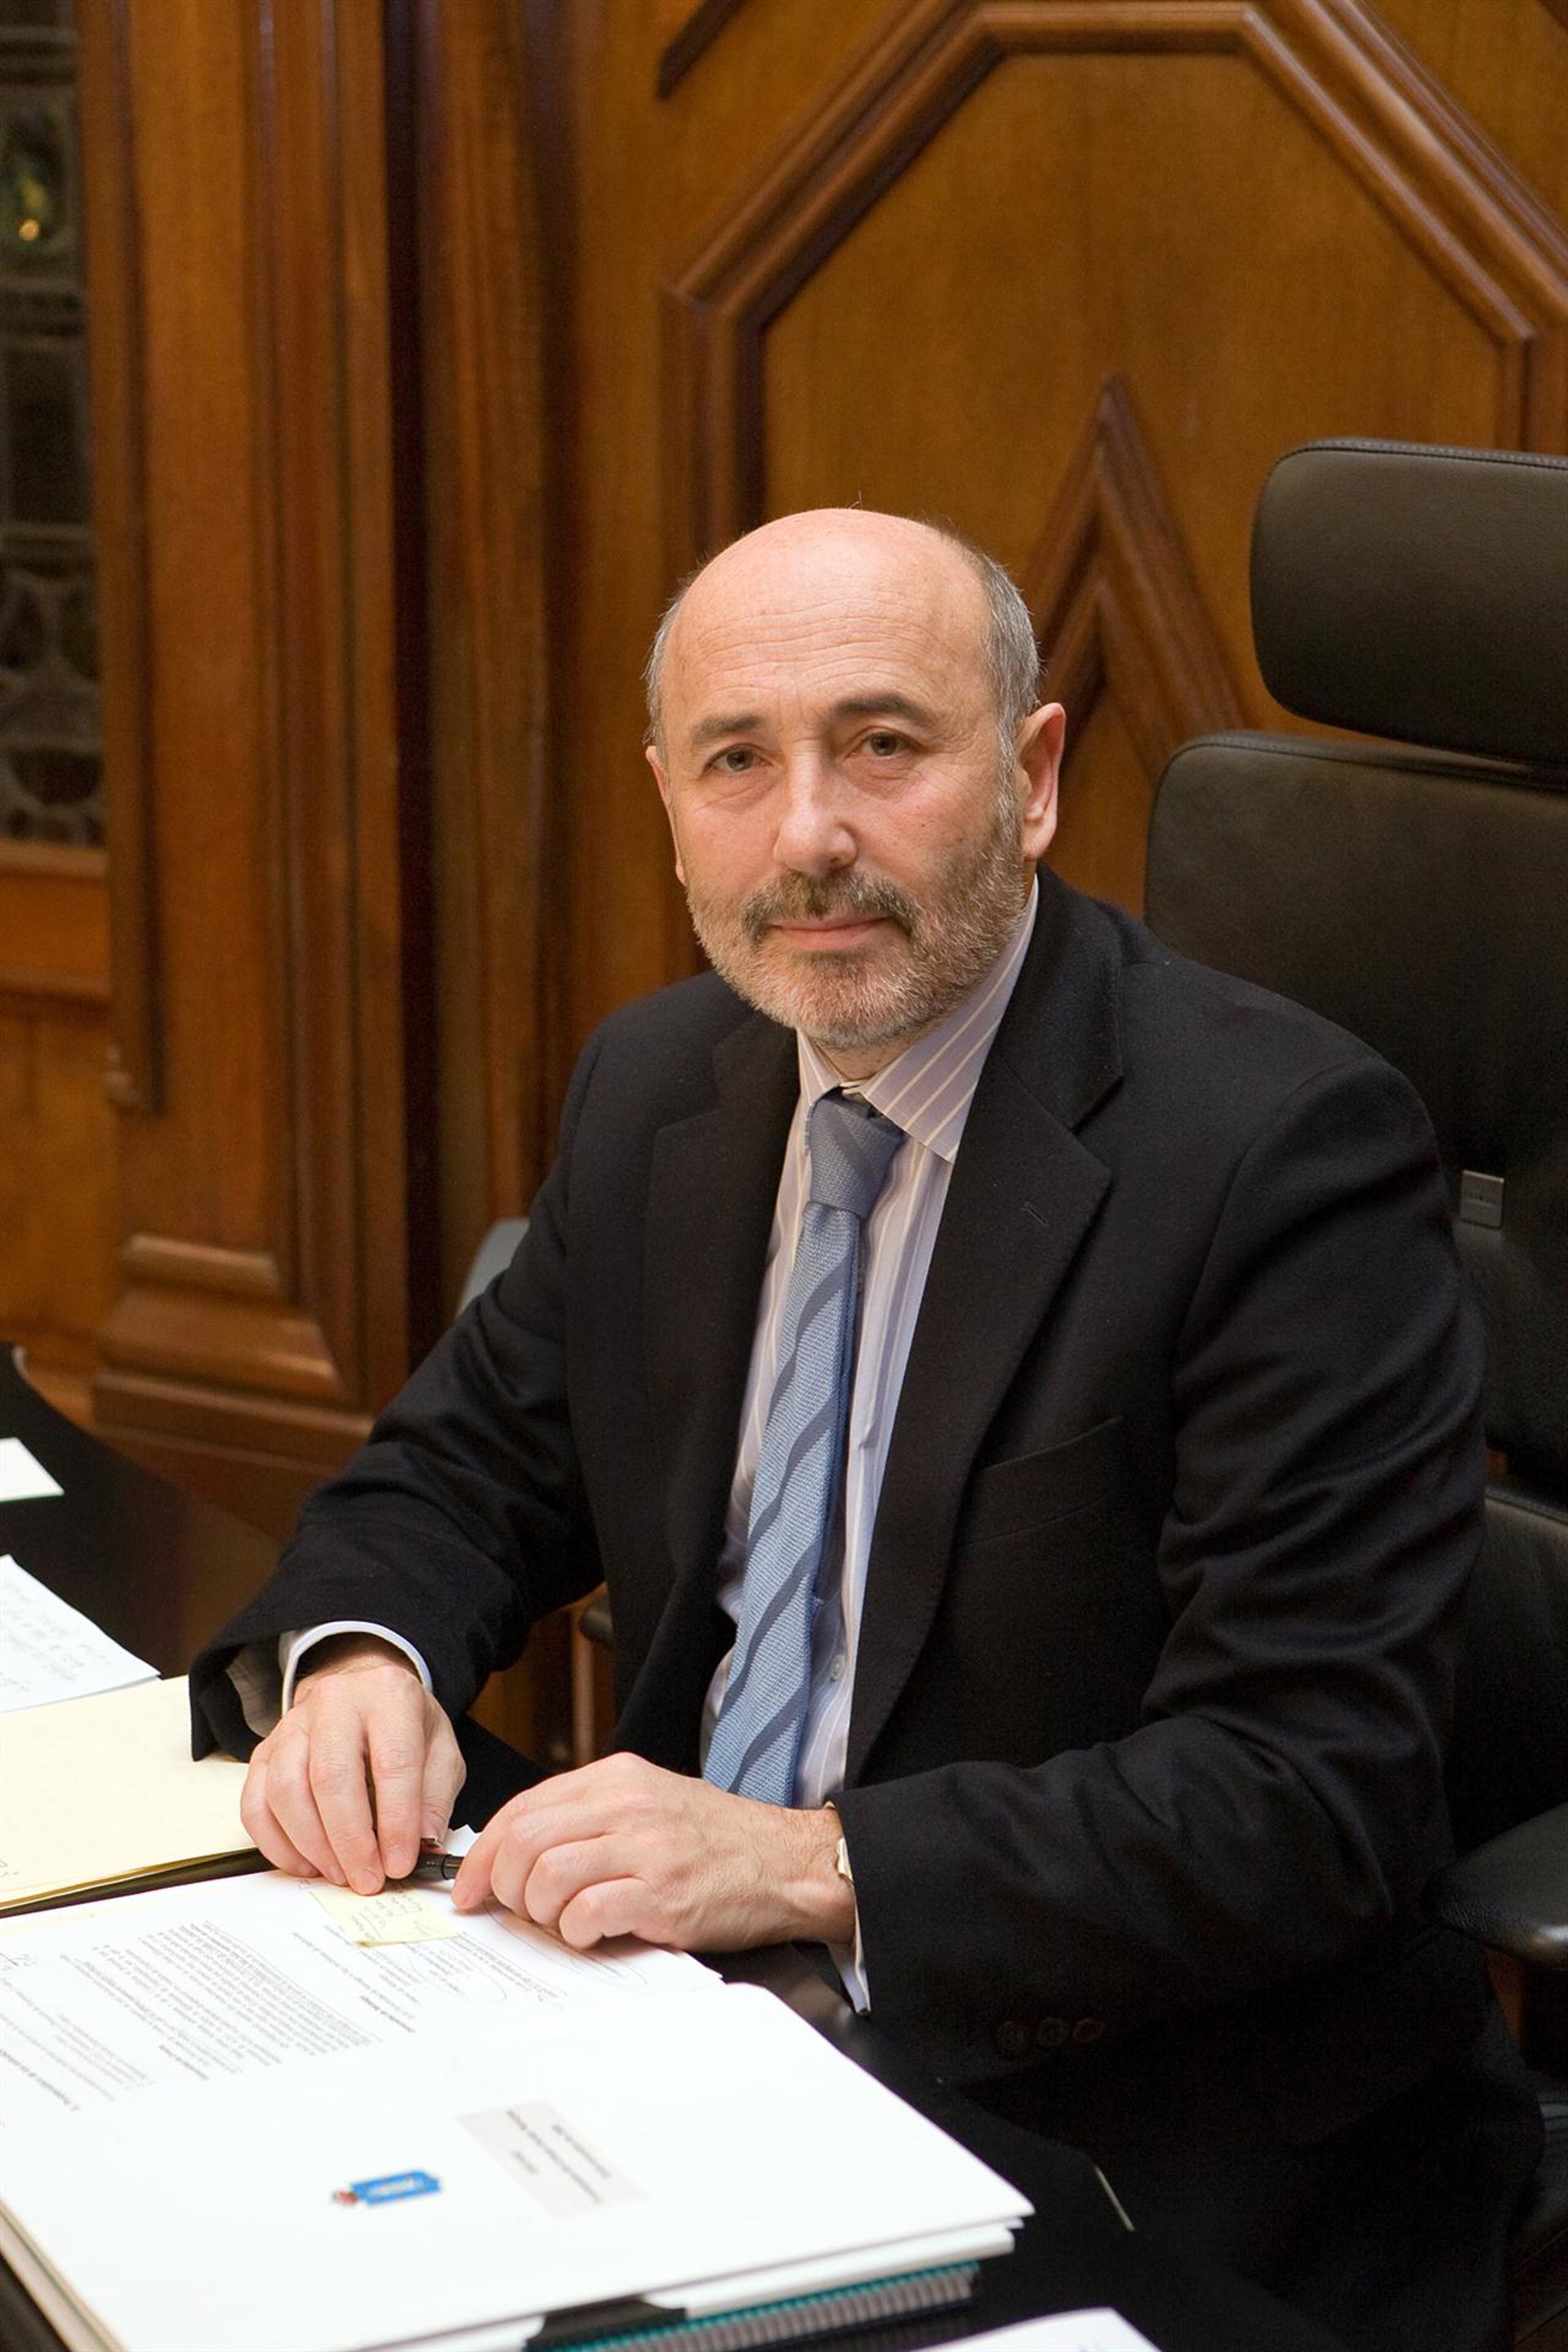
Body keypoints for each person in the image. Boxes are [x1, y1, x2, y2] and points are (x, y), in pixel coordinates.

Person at [192, 510, 1539, 2352]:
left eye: (883, 745)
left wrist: (801, 1863)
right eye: (737, 762)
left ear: (1035, 778)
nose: (808, 834)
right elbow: (462, 1467)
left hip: (1130, 2122)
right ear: (670, 804)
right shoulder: (660, 1085)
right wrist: (362, 1659)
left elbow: (1308, 1793)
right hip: (672, 2039)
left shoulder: (1281, 1156)